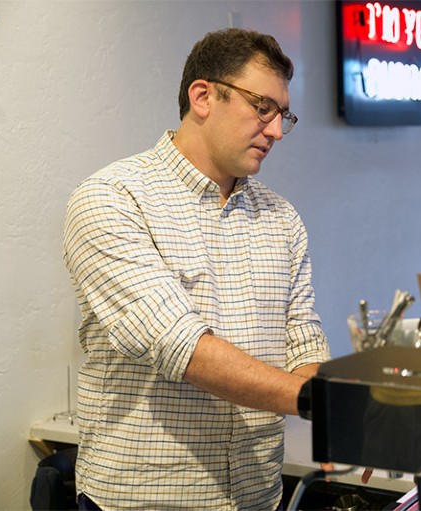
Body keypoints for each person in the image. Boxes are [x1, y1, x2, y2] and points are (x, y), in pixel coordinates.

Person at [62, 29, 331, 510]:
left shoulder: (282, 218)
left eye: (282, 115)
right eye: (262, 107)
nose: (274, 130)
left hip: (257, 495)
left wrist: (332, 414)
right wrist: (327, 404)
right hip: (145, 500)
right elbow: (182, 347)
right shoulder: (113, 198)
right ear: (203, 96)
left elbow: (303, 339)